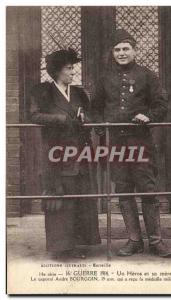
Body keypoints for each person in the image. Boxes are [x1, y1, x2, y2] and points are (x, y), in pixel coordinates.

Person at [91, 29, 171, 257]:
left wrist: (149, 116)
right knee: (124, 189)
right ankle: (134, 240)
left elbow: (161, 106)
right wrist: (101, 126)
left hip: (140, 142)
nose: (121, 53)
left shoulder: (148, 76)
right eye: (117, 49)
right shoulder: (105, 79)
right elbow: (95, 109)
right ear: (113, 52)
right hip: (115, 144)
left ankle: (156, 242)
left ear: (135, 51)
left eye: (125, 49)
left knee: (147, 189)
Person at [30, 48, 101, 259]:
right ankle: (60, 248)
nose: (73, 73)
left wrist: (85, 119)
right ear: (57, 71)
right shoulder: (42, 91)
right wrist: (61, 119)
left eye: (73, 68)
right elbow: (34, 115)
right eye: (69, 69)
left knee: (80, 197)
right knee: (60, 197)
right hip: (56, 153)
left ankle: (78, 245)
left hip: (81, 152)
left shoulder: (79, 93)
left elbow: (90, 116)